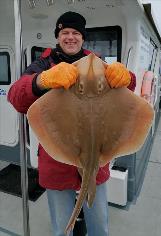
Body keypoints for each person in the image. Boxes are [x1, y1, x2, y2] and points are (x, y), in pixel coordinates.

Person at [8, 11, 136, 236]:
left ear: (83, 37)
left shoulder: (97, 64)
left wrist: (128, 77)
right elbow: (16, 96)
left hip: (97, 157)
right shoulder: (44, 63)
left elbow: (126, 93)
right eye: (65, 32)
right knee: (62, 228)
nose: (70, 37)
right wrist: (41, 80)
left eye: (76, 32)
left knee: (99, 225)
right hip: (57, 158)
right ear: (57, 36)